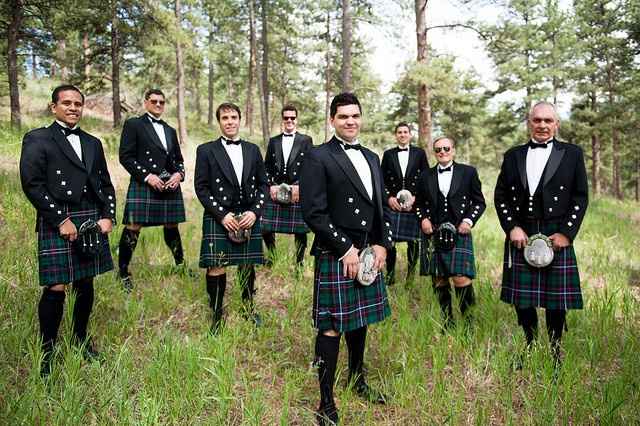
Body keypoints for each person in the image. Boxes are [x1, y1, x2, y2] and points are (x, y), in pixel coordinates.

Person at [300, 92, 392, 425]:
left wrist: (383, 244)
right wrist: (345, 249)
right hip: (337, 252)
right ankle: (325, 403)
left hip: (368, 251)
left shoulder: (371, 156)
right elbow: (313, 212)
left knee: (360, 319)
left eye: (355, 116)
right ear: (332, 120)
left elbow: (381, 204)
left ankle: (357, 379)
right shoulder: (317, 156)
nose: (350, 121)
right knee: (331, 327)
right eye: (343, 117)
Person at [19, 84, 116, 376]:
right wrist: (60, 219)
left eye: (78, 104)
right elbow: (32, 184)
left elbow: (105, 183)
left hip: (89, 217)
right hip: (59, 217)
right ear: (54, 107)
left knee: (86, 281)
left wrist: (108, 215)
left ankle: (80, 339)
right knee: (56, 285)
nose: (73, 108)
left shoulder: (92, 142)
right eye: (67, 103)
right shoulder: (38, 138)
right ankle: (48, 351)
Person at [494, 101, 588, 364]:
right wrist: (511, 226)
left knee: (555, 300)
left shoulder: (572, 153)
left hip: (555, 232)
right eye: (537, 120)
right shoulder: (513, 155)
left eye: (548, 121)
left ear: (556, 124)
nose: (543, 125)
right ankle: (529, 343)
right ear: (529, 123)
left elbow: (580, 197)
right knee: (522, 300)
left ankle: (555, 349)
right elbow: (501, 195)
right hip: (521, 231)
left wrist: (567, 234)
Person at [194, 102, 269, 332]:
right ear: (219, 122)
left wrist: (254, 212)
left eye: (234, 117)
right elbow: (201, 187)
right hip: (221, 215)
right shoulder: (206, 150)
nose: (230, 121)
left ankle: (247, 308)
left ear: (240, 119)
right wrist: (222, 215)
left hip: (247, 212)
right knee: (216, 265)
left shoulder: (253, 149)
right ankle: (216, 315)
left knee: (247, 264)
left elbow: (264, 185)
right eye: (225, 118)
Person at [117, 89, 187, 291]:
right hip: (144, 182)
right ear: (146, 102)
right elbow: (126, 156)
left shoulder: (170, 129)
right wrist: (148, 177)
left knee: (172, 224)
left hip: (169, 183)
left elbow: (178, 161)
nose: (158, 105)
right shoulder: (134, 124)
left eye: (162, 102)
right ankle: (123, 271)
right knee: (133, 225)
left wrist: (178, 175)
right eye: (154, 101)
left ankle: (180, 265)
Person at [416, 136, 485, 330]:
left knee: (461, 277)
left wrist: (468, 220)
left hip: (459, 230)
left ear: (453, 150)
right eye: (438, 149)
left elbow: (479, 202)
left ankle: (469, 325)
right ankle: (448, 322)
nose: (442, 152)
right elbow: (419, 205)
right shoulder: (425, 176)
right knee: (439, 278)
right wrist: (423, 219)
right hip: (433, 232)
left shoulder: (468, 172)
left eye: (446, 148)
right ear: (434, 152)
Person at [262, 104, 313, 269]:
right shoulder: (273, 141)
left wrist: (300, 187)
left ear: (296, 120)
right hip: (276, 188)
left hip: (297, 189)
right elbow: (267, 166)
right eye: (286, 118)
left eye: (292, 117)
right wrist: (271, 185)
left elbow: (310, 167)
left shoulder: (305, 140)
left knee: (300, 230)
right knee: (266, 226)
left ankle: (299, 263)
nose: (289, 120)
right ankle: (272, 256)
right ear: (282, 120)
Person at [380, 122, 428, 286]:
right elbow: (381, 180)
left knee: (413, 242)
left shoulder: (419, 153)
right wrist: (389, 198)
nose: (402, 134)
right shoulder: (388, 154)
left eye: (405, 132)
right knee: (390, 240)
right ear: (396, 135)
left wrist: (416, 198)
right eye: (399, 132)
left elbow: (426, 178)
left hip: (413, 205)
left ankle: (410, 275)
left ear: (410, 135)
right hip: (394, 205)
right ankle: (390, 274)